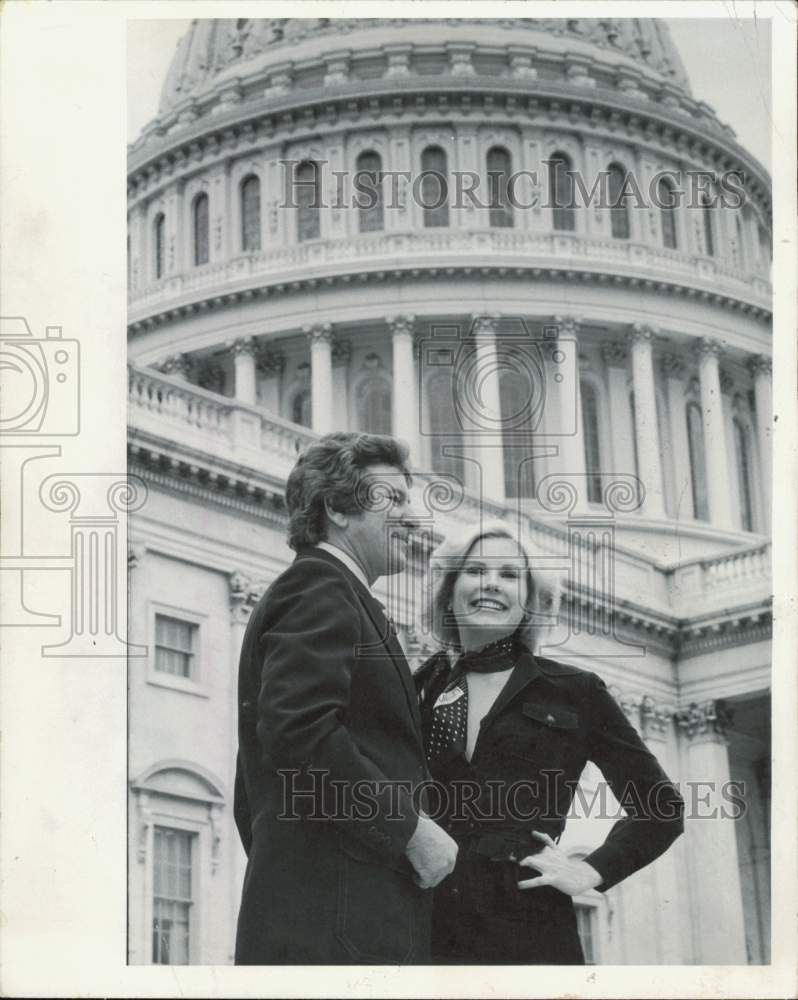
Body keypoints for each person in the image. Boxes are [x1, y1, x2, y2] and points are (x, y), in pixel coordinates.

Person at [414, 521, 684, 964]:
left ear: (530, 602)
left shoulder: (574, 690)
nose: (491, 584)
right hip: (426, 924)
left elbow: (662, 809)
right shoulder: (418, 688)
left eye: (509, 575)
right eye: (475, 570)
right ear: (449, 591)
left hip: (529, 928)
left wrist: (589, 871)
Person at [234, 432, 457, 964]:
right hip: (340, 933)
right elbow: (301, 735)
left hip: (333, 917)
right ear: (336, 506)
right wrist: (410, 831)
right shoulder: (320, 587)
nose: (415, 519)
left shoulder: (338, 594)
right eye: (394, 500)